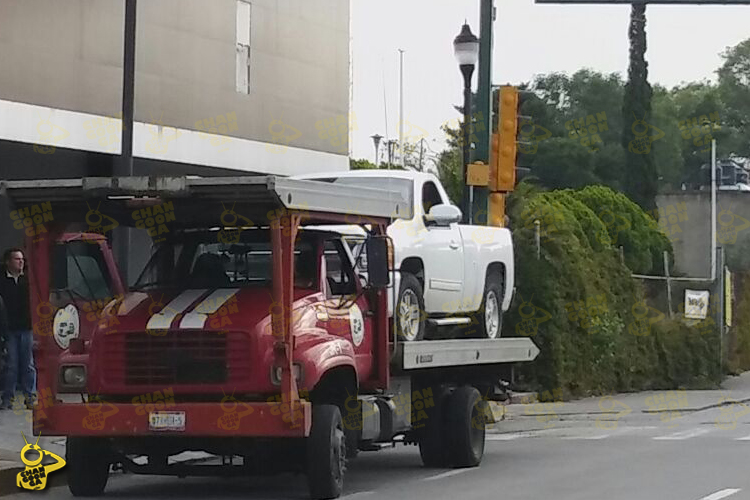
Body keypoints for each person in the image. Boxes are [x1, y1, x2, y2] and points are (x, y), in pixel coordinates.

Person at [0, 248, 36, 410]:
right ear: (8, 262)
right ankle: (8, 397)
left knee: (28, 364)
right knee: (11, 365)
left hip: (26, 327)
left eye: (22, 259)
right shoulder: (2, 281)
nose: (21, 262)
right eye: (17, 259)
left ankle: (30, 396)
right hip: (9, 329)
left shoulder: (28, 281)